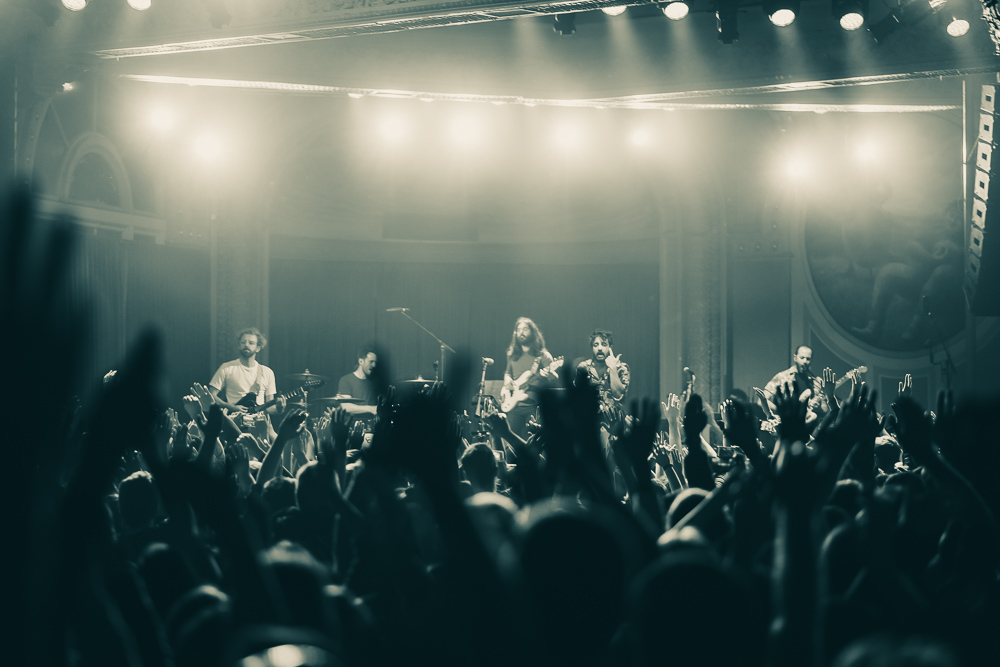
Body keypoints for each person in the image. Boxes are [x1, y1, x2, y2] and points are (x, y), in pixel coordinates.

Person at [208, 327, 285, 417]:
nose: (246, 345)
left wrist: (279, 409)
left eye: (251, 343)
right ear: (239, 345)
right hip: (235, 420)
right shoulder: (227, 368)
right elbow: (211, 395)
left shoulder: (267, 372)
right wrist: (230, 407)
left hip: (258, 423)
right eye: (243, 342)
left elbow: (269, 407)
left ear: (258, 348)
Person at [501, 317, 557, 439]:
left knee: (532, 440)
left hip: (534, 406)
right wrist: (507, 380)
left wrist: (549, 375)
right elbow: (507, 373)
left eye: (525, 329)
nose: (521, 332)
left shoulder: (542, 355)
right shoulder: (511, 353)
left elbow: (555, 379)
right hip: (514, 406)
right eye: (519, 329)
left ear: (532, 332)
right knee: (507, 438)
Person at [576, 328, 630, 438]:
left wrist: (613, 369)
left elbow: (619, 395)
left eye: (604, 344)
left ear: (610, 347)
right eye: (596, 345)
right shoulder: (583, 368)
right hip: (589, 425)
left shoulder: (622, 368)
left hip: (615, 427)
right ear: (592, 348)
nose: (600, 348)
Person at [762, 344, 828, 430]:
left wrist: (818, 407)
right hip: (786, 427)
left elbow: (825, 411)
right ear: (795, 358)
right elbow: (762, 400)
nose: (805, 361)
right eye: (802, 358)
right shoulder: (782, 377)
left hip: (808, 430)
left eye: (808, 359)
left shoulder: (815, 382)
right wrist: (782, 411)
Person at [336, 347, 378, 417]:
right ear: (361, 361)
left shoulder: (374, 382)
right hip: (352, 424)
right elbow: (346, 407)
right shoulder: (346, 380)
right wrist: (371, 409)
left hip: (371, 424)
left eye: (375, 362)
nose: (374, 365)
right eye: (371, 362)